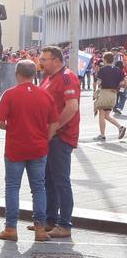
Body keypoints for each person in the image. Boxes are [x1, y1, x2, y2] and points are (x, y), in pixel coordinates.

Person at [0, 60, 59, 242]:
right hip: (38, 148)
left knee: (13, 187)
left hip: (15, 148)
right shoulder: (45, 96)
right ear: (34, 75)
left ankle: (11, 228)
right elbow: (54, 123)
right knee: (38, 188)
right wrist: (45, 138)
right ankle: (40, 228)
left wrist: (9, 128)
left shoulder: (10, 94)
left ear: (17, 74)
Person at [35, 46, 81, 239]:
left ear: (56, 60)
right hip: (50, 137)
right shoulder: (48, 78)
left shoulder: (67, 77)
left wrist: (53, 129)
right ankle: (50, 220)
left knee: (61, 181)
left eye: (44, 59)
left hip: (60, 138)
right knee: (49, 180)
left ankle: (64, 224)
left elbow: (72, 107)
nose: (41, 62)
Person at [93, 51, 125, 141]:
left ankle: (102, 135)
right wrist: (116, 87)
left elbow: (99, 82)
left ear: (105, 59)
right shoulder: (118, 70)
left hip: (104, 93)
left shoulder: (102, 70)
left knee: (101, 115)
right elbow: (123, 82)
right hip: (113, 94)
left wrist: (95, 92)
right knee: (107, 115)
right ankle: (120, 127)